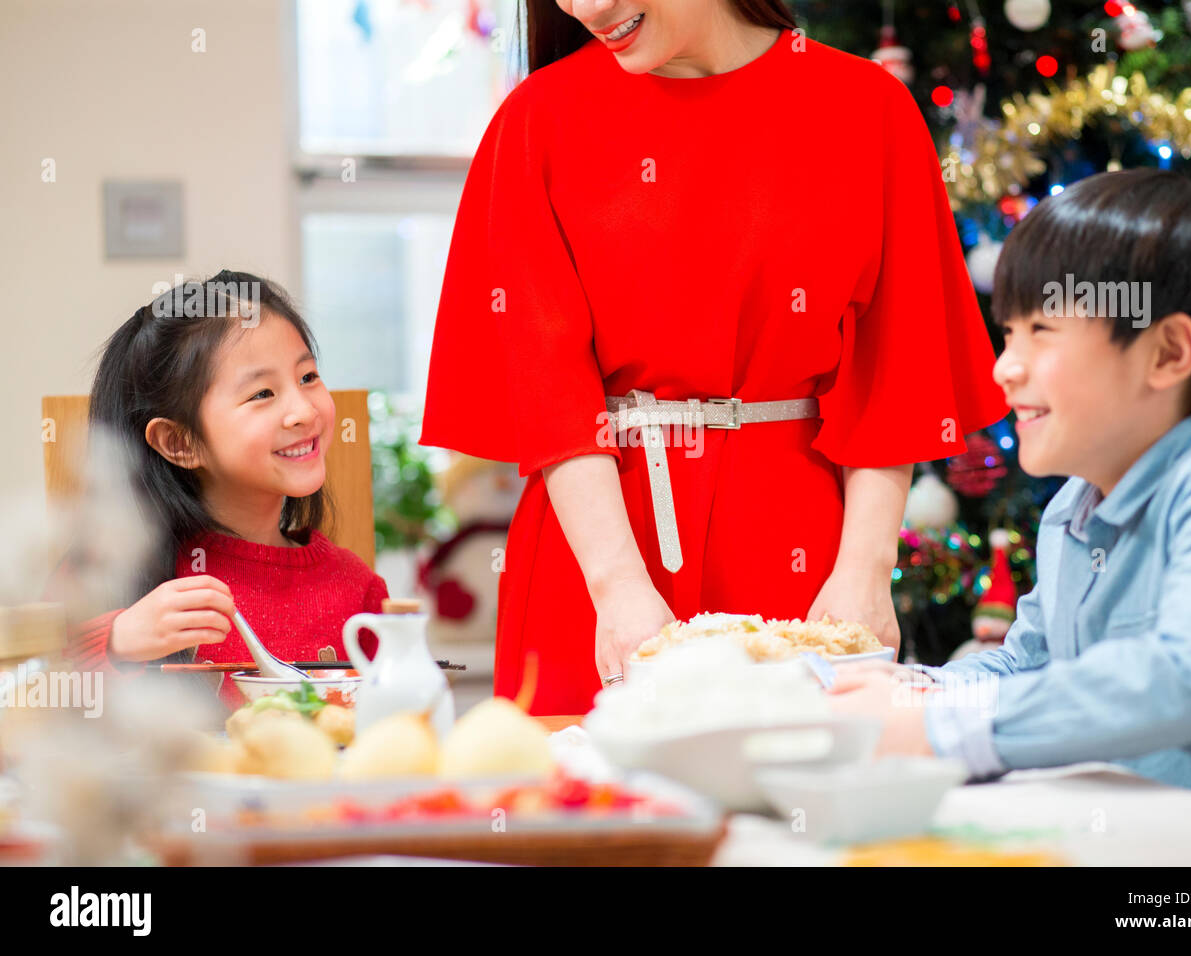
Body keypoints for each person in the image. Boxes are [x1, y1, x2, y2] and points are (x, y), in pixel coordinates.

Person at [420, 0, 1008, 714]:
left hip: (800, 549)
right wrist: (616, 587)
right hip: (595, 554)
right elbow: (544, 382)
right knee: (592, 812)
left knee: (804, 808)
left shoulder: (867, 108)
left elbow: (898, 366)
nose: (587, 8)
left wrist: (865, 569)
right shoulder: (537, 120)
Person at [831, 168, 1191, 814]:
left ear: (1167, 354)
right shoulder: (1071, 511)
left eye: (1041, 332)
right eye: (1008, 334)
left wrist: (944, 732)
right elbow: (1021, 668)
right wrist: (903, 692)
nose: (1005, 367)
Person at [62, 271, 388, 710]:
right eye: (263, 393)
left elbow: (399, 732)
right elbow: (26, 707)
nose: (303, 410)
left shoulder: (356, 589)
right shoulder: (108, 573)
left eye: (308, 377)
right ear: (181, 442)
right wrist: (116, 641)